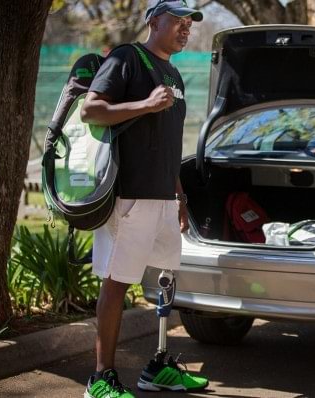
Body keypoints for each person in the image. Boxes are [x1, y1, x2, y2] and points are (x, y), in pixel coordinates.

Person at [80, 1, 207, 396]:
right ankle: (101, 379)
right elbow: (91, 110)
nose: (185, 28)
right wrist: (145, 104)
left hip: (163, 198)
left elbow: (165, 142)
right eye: (177, 21)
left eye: (189, 23)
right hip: (129, 196)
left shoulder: (174, 72)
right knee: (117, 282)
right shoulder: (126, 59)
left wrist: (180, 196)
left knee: (167, 272)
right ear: (154, 21)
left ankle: (158, 365)